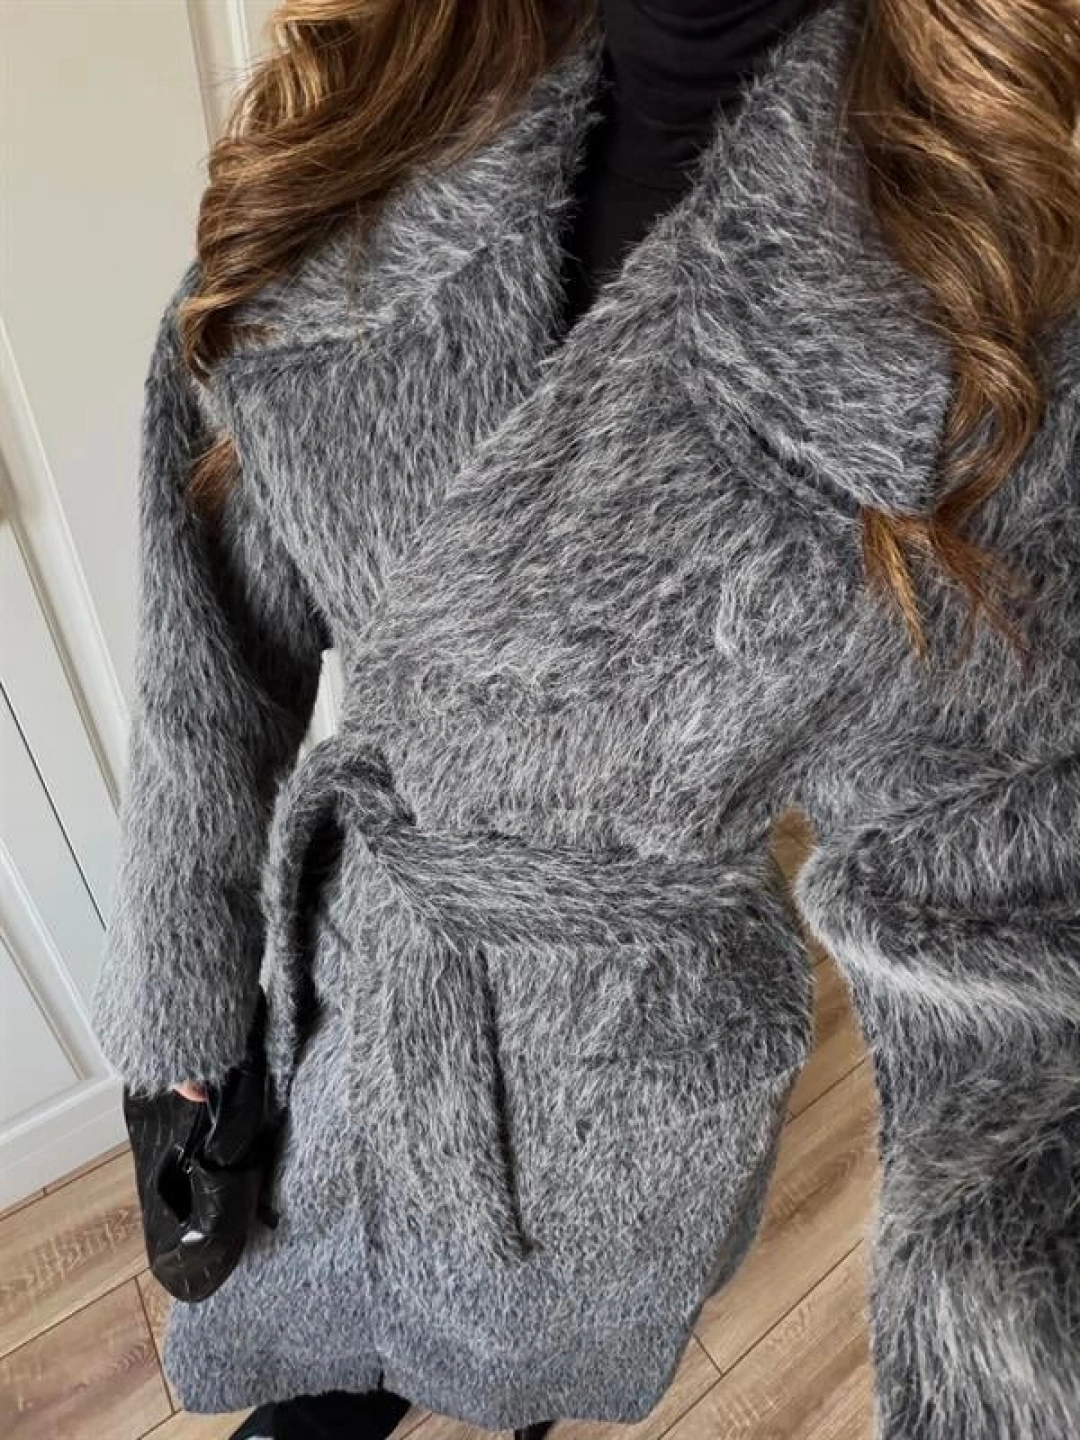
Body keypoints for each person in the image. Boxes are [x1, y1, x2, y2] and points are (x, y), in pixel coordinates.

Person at [92, 0, 1080, 1436]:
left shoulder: (995, 290)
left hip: (620, 1070)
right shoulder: (371, 118)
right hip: (355, 975)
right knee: (316, 1307)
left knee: (516, 1350)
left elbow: (1019, 960)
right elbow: (212, 653)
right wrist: (183, 998)